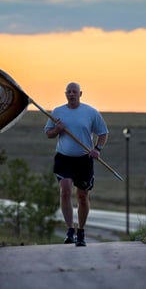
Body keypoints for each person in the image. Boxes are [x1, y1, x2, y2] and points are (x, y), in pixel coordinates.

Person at [44, 82, 108, 247]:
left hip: (84, 159)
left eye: (74, 92)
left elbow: (103, 133)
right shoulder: (58, 112)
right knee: (65, 190)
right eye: (69, 92)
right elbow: (48, 134)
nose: (71, 94)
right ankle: (70, 230)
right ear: (65, 94)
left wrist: (97, 149)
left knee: (82, 197)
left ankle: (81, 232)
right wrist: (57, 130)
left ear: (80, 94)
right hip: (64, 158)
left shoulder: (91, 112)